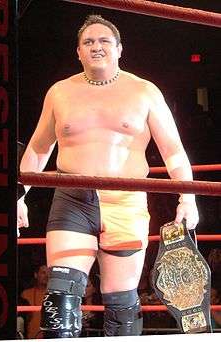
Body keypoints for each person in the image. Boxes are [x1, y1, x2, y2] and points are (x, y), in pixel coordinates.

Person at [17, 14, 199, 337]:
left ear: (119, 48)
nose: (96, 46)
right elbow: (38, 150)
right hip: (72, 198)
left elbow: (173, 151)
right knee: (61, 299)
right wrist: (18, 195)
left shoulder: (144, 92)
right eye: (88, 42)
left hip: (125, 201)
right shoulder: (59, 92)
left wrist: (188, 198)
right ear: (78, 52)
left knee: (122, 306)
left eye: (104, 41)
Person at [20, 265, 49, 339]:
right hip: (31, 337)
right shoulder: (26, 294)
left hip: (50, 337)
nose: (46, 276)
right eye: (43, 273)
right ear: (36, 275)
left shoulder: (54, 294)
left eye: (48, 273)